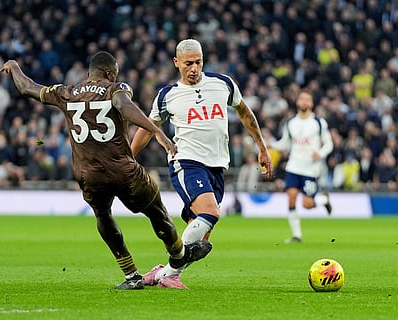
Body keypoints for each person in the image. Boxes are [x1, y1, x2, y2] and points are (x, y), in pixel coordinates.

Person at [0, 51, 212, 290]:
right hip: (123, 170)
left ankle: (131, 275)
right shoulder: (116, 88)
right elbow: (123, 104)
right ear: (110, 73)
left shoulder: (66, 92)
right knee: (155, 209)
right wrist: (158, 132)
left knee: (103, 215)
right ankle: (178, 254)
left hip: (89, 174)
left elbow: (28, 88)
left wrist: (15, 67)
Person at [131, 39, 272, 288]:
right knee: (210, 213)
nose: (194, 68)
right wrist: (129, 157)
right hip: (186, 161)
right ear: (177, 63)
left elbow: (245, 113)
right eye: (188, 63)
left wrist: (262, 147)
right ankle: (171, 275)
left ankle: (161, 272)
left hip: (217, 166)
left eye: (198, 62)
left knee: (201, 236)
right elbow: (149, 128)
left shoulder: (223, 84)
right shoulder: (168, 95)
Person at [270, 89, 334, 243]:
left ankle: (323, 200)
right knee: (291, 198)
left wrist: (321, 153)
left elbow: (329, 143)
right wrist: (270, 145)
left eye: (307, 99)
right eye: (302, 99)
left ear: (311, 103)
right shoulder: (290, 122)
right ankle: (296, 235)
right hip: (293, 166)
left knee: (307, 204)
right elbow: (285, 143)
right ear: (297, 102)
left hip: (311, 169)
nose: (304, 102)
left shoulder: (318, 123)